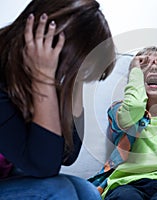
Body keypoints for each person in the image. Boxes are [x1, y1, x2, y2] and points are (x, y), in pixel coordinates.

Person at [0, 0, 115, 199]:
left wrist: (76, 80)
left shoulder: (36, 77)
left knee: (87, 192)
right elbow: (43, 166)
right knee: (58, 190)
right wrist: (43, 78)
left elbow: (67, 155)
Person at [88, 46, 157, 199]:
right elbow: (134, 107)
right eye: (145, 65)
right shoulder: (119, 110)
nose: (154, 69)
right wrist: (135, 69)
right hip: (125, 184)